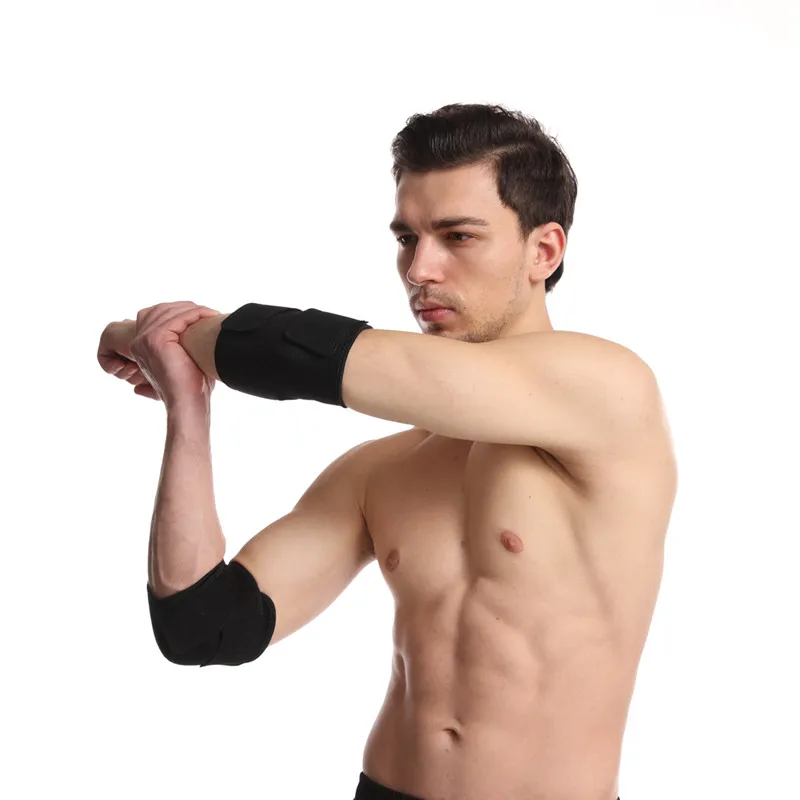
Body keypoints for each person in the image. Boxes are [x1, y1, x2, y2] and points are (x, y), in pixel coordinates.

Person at [98, 104, 677, 800]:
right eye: (407, 238)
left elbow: (304, 357)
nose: (420, 269)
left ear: (544, 251)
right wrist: (186, 405)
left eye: (457, 236)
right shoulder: (382, 470)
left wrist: (165, 334)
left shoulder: (608, 391)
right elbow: (203, 627)